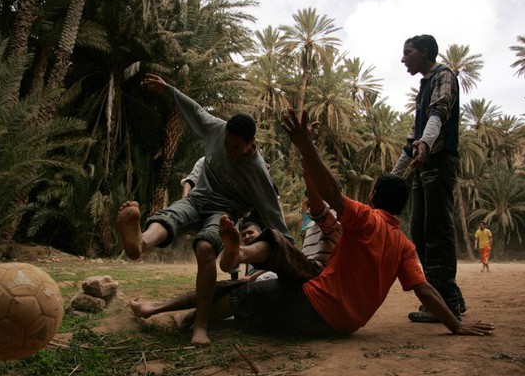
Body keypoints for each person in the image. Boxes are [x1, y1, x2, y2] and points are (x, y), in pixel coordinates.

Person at [130, 108, 495, 339]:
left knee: (241, 288)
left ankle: (187, 302)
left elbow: (331, 194)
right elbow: (425, 290)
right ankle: (221, 274)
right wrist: (456, 323)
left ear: (371, 200)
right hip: (345, 327)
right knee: (260, 282)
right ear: (400, 210)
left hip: (311, 306)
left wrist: (306, 146)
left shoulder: (365, 220)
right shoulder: (404, 245)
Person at [117, 73, 288, 346]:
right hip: (197, 198)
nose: (229, 150)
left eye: (236, 147)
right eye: (227, 145)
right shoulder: (217, 129)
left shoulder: (257, 172)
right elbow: (195, 109)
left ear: (250, 143)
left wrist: (289, 251)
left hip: (223, 213)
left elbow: (273, 214)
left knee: (207, 248)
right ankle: (139, 243)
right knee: (173, 214)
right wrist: (169, 89)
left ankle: (201, 325)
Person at [391, 34, 466, 323]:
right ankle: (449, 298)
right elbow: (413, 140)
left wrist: (426, 141)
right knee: (421, 234)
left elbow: (440, 111)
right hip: (424, 166)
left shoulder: (443, 75)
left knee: (437, 231)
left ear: (424, 52)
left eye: (407, 52)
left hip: (439, 161)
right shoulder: (424, 86)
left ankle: (446, 303)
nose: (403, 59)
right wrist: (394, 177)